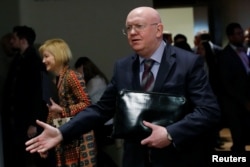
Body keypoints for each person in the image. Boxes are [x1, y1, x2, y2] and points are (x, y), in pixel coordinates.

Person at [26, 7, 220, 167]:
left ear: (158, 30)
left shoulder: (188, 63)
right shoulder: (123, 66)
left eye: (139, 26)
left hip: (178, 157)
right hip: (135, 159)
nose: (133, 32)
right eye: (128, 28)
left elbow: (208, 111)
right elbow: (101, 109)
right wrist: (62, 131)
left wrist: (170, 133)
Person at [38, 38, 97, 167]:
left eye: (46, 56)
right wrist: (45, 139)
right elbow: (53, 111)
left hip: (79, 139)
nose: (43, 61)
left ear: (57, 56)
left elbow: (87, 104)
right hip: (66, 135)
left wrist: (62, 111)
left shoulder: (72, 76)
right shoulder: (56, 80)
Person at [1, 25, 52, 167]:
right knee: (21, 155)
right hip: (18, 120)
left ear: (23, 40)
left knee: (29, 157)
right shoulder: (20, 60)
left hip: (25, 120)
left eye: (15, 38)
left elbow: (37, 95)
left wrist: (33, 122)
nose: (11, 41)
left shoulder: (33, 63)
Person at [74, 57, 118, 167]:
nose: (78, 74)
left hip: (104, 124)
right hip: (104, 122)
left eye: (79, 70)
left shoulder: (95, 81)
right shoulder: (97, 79)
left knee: (97, 151)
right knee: (97, 151)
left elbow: (84, 99)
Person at [218, 22, 250, 152]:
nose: (241, 36)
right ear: (230, 37)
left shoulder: (244, 51)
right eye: (238, 34)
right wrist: (244, 100)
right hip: (234, 103)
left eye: (241, 33)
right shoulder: (225, 55)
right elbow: (226, 83)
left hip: (246, 99)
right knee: (238, 137)